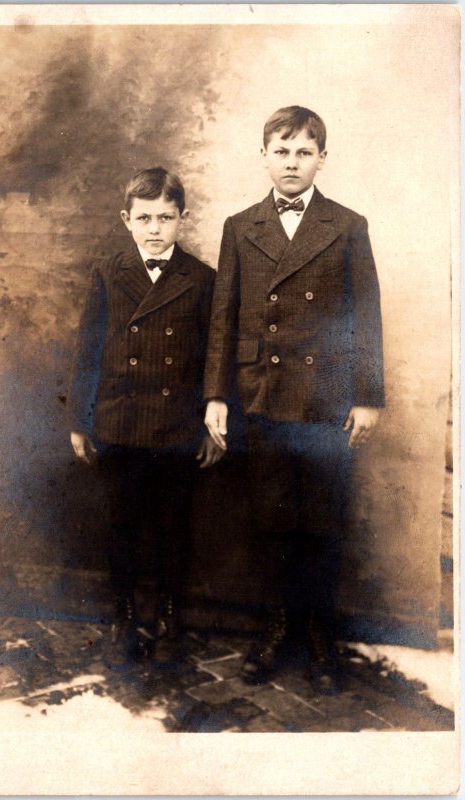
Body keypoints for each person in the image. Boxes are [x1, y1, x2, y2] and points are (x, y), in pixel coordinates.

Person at [203, 106, 385, 692]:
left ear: (321, 160)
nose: (291, 162)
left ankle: (319, 635)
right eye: (281, 151)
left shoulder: (348, 224)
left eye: (304, 152)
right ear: (264, 156)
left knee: (323, 522)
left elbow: (366, 317)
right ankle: (277, 630)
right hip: (263, 393)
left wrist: (368, 397)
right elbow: (222, 317)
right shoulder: (240, 225)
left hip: (328, 399)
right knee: (273, 520)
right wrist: (215, 394)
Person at [69, 167, 222, 667]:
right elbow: (89, 348)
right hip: (119, 422)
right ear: (127, 220)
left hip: (176, 426)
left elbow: (213, 358)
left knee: (174, 527)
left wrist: (210, 424)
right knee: (123, 526)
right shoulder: (109, 271)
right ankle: (123, 613)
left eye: (165, 217)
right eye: (145, 218)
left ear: (183, 219)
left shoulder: (202, 279)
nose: (155, 228)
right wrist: (80, 419)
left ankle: (172, 612)